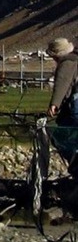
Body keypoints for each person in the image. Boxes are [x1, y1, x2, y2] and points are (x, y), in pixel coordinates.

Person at [45, 37, 78, 176]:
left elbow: (62, 84)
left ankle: (75, 161)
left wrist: (54, 104)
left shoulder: (67, 63)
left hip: (75, 105)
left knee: (60, 134)